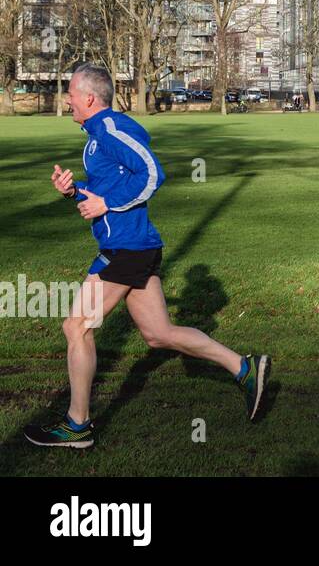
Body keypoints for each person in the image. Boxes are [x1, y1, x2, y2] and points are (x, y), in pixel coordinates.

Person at [25, 64, 270, 448]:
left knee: (77, 327)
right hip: (132, 247)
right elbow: (113, 186)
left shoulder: (109, 129)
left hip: (126, 249)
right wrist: (75, 191)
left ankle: (77, 425)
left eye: (71, 93)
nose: (67, 99)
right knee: (159, 335)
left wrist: (106, 203)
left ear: (89, 98)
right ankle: (244, 367)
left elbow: (153, 173)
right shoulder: (95, 137)